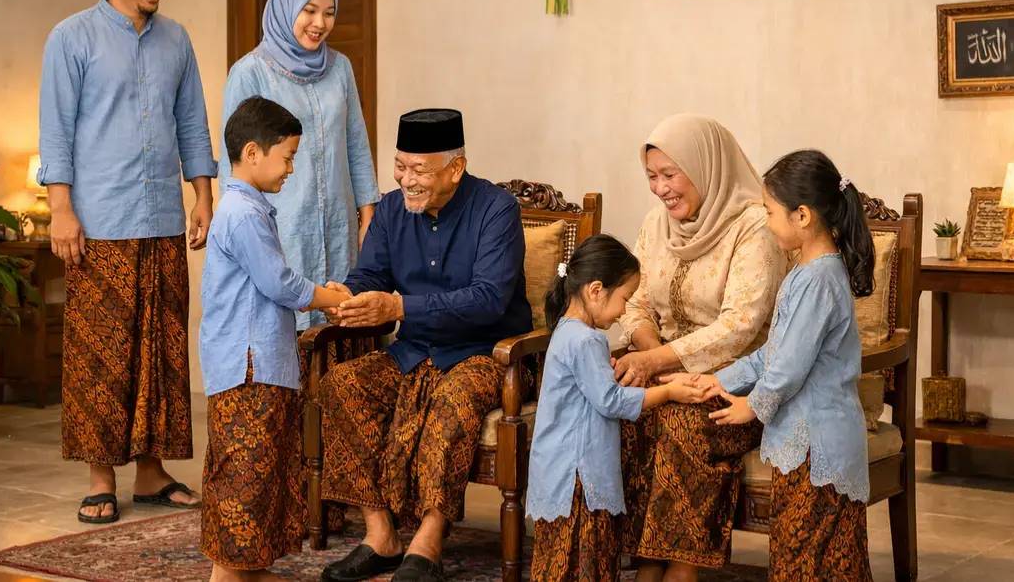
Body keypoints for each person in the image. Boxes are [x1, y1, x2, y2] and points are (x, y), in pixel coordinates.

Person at [37, 0, 213, 523]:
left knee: (161, 352)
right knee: (101, 355)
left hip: (161, 219)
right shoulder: (71, 38)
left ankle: (152, 473)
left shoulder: (177, 40)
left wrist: (203, 196)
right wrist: (61, 210)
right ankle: (100, 477)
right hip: (99, 224)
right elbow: (56, 132)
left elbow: (193, 123)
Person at [318, 109, 533, 582]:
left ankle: (428, 542)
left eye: (418, 169)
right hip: (414, 351)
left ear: (455, 168)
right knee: (343, 384)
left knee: (452, 399)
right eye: (400, 166)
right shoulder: (391, 210)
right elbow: (370, 276)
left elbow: (488, 299)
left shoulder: (496, 210)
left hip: (486, 353)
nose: (405, 180)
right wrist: (348, 298)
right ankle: (381, 535)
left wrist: (399, 307)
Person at [680, 149, 875, 581]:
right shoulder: (806, 272)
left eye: (769, 212)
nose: (766, 222)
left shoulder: (819, 280)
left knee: (813, 561)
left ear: (802, 215)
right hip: (804, 442)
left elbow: (787, 367)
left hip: (817, 442)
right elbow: (773, 353)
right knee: (804, 557)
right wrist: (717, 381)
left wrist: (752, 406)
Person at [614, 114, 787, 579]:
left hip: (737, 384)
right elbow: (633, 301)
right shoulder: (656, 225)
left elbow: (740, 327)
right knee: (619, 410)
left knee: (682, 423)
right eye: (652, 176)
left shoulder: (756, 226)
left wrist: (658, 362)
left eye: (670, 174)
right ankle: (646, 560)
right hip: (666, 369)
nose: (660, 189)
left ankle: (682, 568)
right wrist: (651, 357)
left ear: (706, 165)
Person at [199, 96, 354, 581]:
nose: (290, 168)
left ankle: (248, 569)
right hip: (250, 367)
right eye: (287, 157)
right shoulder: (243, 214)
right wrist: (329, 297)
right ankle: (228, 574)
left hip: (258, 363)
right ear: (252, 153)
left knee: (260, 469)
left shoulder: (247, 209)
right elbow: (280, 284)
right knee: (244, 474)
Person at [527, 235, 711, 582]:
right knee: (583, 559)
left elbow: (591, 392)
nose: (624, 311)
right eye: (624, 299)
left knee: (562, 562)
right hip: (577, 475)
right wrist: (668, 392)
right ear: (596, 290)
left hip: (559, 468)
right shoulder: (586, 340)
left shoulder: (567, 332)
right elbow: (610, 401)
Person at [221, 0, 379, 329]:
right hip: (281, 227)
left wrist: (368, 214)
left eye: (329, 13)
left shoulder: (340, 68)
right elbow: (234, 165)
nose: (320, 23)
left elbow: (356, 143)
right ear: (285, 7)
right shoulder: (249, 73)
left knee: (342, 321)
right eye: (309, 11)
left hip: (339, 225)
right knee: (287, 323)